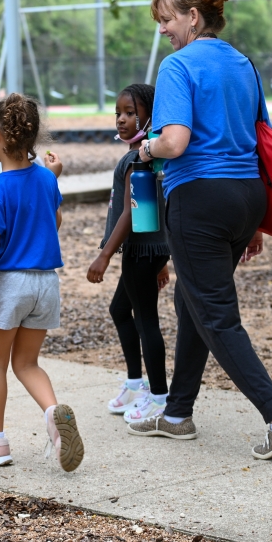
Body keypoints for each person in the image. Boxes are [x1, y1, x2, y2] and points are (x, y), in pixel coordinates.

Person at [129, 0, 272, 460]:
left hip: (199, 200)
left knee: (216, 313)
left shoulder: (178, 66)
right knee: (192, 300)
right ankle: (178, 414)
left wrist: (147, 150)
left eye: (167, 19)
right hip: (246, 197)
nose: (163, 29)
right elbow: (261, 135)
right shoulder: (243, 63)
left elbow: (175, 141)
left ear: (192, 16)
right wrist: (254, 224)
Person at [0, 93, 83, 473]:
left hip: (10, 284)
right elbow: (55, 222)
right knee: (27, 362)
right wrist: (53, 180)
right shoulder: (47, 179)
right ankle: (53, 415)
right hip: (46, 284)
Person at [86, 84, 171, 423]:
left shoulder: (141, 157)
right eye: (118, 113)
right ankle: (136, 383)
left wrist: (104, 256)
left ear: (148, 117)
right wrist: (161, 260)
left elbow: (132, 213)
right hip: (148, 251)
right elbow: (151, 214)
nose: (121, 120)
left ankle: (160, 397)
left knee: (145, 319)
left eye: (130, 113)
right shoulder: (142, 154)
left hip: (139, 252)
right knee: (121, 310)